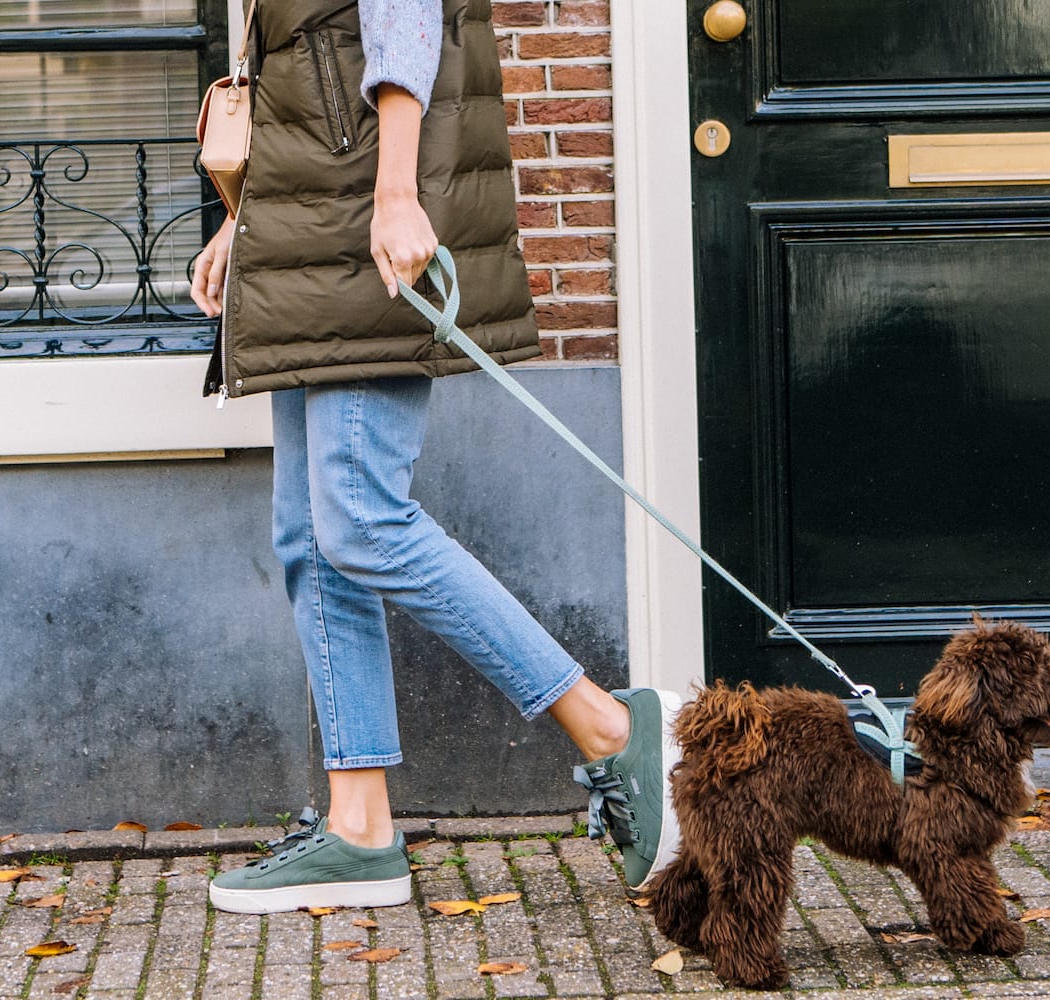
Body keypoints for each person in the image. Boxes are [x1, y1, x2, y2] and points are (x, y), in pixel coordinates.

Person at [186, 0, 677, 914]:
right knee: (310, 538)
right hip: (312, 232)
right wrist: (247, 223)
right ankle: (360, 828)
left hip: (364, 225)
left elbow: (403, 24)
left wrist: (396, 193)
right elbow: (304, 66)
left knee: (360, 519)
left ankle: (609, 727)